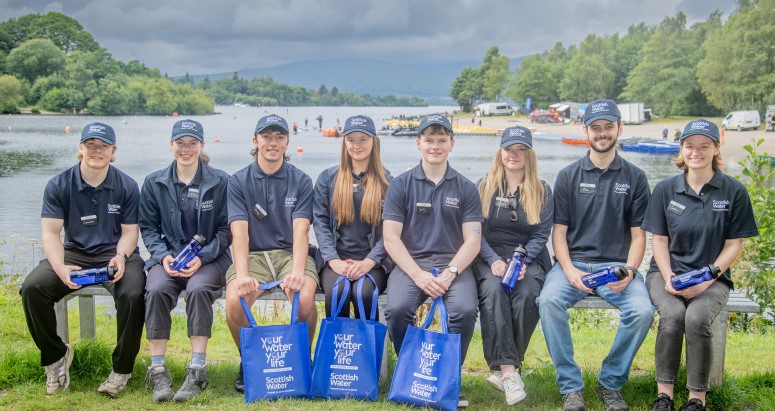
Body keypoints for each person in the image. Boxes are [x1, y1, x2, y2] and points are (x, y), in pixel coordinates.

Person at [536, 99, 654, 411]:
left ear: (619, 128)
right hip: (572, 264)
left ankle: (610, 383)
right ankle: (571, 387)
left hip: (617, 266)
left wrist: (630, 270)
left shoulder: (636, 178)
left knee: (642, 312)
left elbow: (639, 235)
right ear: (586, 130)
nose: (602, 133)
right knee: (548, 302)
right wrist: (570, 270)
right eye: (596, 128)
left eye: (608, 127)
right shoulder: (568, 176)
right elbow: (558, 233)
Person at [20, 122, 145, 397]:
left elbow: (130, 233)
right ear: (80, 148)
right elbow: (51, 234)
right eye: (91, 145)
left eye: (103, 146)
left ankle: (121, 369)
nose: (96, 151)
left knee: (134, 293)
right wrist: (60, 267)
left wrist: (122, 256)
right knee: (33, 288)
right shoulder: (59, 184)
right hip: (73, 252)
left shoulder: (126, 185)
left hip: (115, 251)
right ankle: (55, 356)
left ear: (113, 151)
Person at [642, 120, 758, 411]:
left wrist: (708, 278)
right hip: (665, 272)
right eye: (690, 146)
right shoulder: (666, 189)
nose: (697, 152)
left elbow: (734, 245)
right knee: (672, 316)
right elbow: (658, 241)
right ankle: (664, 396)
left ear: (716, 148)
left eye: (704, 146)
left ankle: (697, 399)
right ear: (682, 149)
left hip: (713, 277)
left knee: (695, 319)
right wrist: (669, 278)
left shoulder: (734, 191)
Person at [382, 114, 483, 408]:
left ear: (452, 143)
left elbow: (473, 240)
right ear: (418, 143)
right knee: (398, 309)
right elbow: (391, 238)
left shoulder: (466, 188)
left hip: (455, 266)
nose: (435, 146)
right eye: (429, 140)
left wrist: (451, 272)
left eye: (441, 140)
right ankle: (413, 373)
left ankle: (449, 378)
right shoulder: (400, 185)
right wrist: (418, 275)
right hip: (411, 266)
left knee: (464, 311)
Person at [224, 114, 318, 393]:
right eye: (267, 137)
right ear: (256, 141)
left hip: (290, 254)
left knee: (303, 300)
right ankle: (249, 360)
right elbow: (239, 233)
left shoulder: (301, 180)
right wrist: (241, 275)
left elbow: (301, 231)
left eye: (279, 137)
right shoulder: (238, 181)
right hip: (253, 257)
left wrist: (299, 272)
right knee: (234, 302)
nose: (273, 143)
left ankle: (302, 359)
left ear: (287, 141)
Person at [139, 119, 232, 402]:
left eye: (192, 143)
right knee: (154, 289)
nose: (186, 149)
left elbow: (227, 230)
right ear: (172, 145)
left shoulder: (220, 181)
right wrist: (162, 256)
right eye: (181, 143)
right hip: (168, 259)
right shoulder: (154, 182)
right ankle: (158, 371)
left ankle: (197, 370)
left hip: (210, 260)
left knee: (198, 289)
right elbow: (148, 227)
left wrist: (201, 259)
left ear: (202, 146)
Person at [475, 126, 553, 405]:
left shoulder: (542, 190)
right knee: (494, 291)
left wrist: (523, 262)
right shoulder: (484, 186)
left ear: (529, 154)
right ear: (501, 152)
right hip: (489, 256)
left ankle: (505, 370)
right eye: (509, 149)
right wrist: (493, 260)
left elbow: (541, 234)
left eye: (520, 149)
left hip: (527, 256)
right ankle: (510, 372)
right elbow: (475, 232)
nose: (514, 154)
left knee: (528, 292)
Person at [313, 115, 392, 318]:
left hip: (373, 263)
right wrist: (333, 260)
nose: (356, 145)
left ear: (374, 141)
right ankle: (340, 348)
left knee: (363, 293)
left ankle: (367, 349)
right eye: (351, 139)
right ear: (344, 142)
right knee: (338, 292)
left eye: (362, 139)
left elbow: (392, 232)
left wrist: (370, 261)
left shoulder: (387, 182)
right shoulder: (327, 178)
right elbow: (320, 223)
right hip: (335, 261)